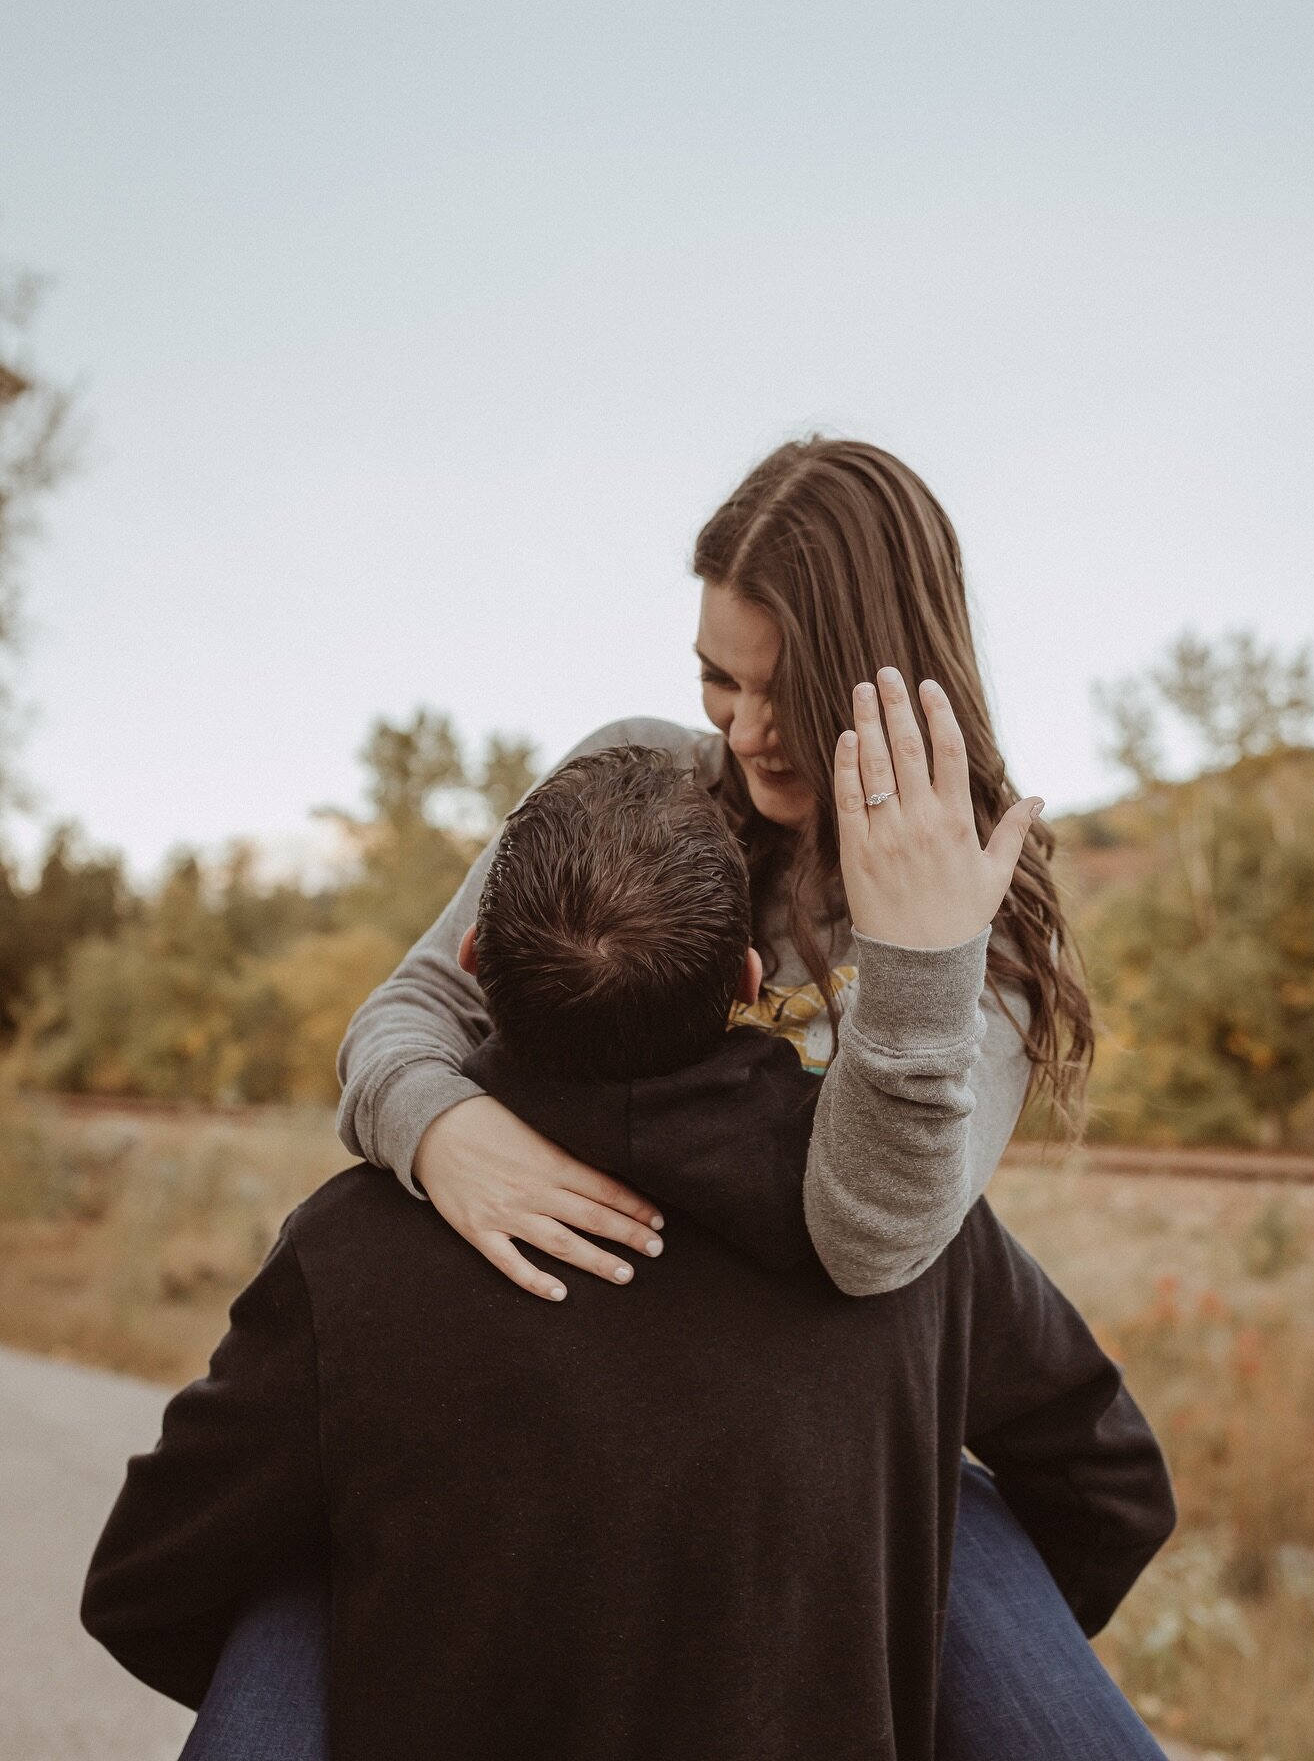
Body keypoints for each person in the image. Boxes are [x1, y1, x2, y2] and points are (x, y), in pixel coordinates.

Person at [184, 435, 1171, 1756]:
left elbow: (872, 1236)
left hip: (823, 1436)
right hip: (550, 1362)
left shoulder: (977, 930)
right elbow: (409, 1011)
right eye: (720, 679)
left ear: (893, 683)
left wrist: (920, 966)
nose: (748, 731)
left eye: (791, 690)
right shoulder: (639, 784)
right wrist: (447, 1128)